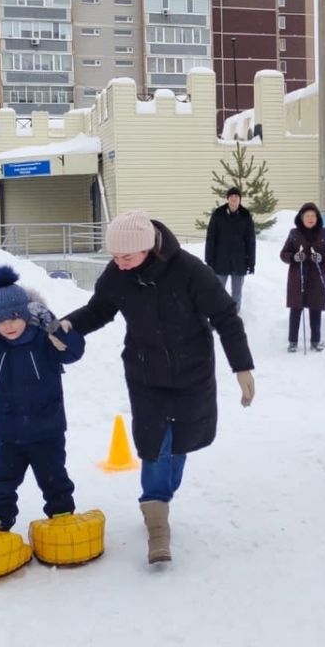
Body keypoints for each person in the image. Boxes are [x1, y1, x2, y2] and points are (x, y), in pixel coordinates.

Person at [61, 211, 255, 564]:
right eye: (114, 258)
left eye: (126, 257)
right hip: (144, 372)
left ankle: (160, 500)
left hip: (191, 372)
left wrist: (241, 366)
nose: (119, 264)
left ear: (148, 248)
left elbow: (226, 315)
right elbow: (99, 310)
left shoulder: (189, 270)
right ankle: (157, 520)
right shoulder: (118, 274)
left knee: (179, 444)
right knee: (154, 446)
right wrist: (68, 326)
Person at [0, 266, 85, 532]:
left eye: (13, 318)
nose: (8, 326)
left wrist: (52, 323)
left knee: (54, 478)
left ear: (27, 315)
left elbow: (73, 351)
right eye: (0, 321)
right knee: (3, 479)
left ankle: (61, 515)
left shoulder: (44, 340)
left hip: (47, 428)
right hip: (10, 430)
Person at [280, 202, 325, 352]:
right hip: (297, 277)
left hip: (317, 277)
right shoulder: (294, 233)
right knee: (295, 309)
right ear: (301, 218)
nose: (310, 218)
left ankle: (315, 341)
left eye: (313, 215)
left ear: (317, 217)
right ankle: (292, 342)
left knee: (315, 308)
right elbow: (283, 254)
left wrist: (322, 257)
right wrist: (294, 257)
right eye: (307, 216)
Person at [205, 186, 256, 311]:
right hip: (220, 260)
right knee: (218, 291)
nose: (234, 199)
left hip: (239, 261)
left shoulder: (245, 215)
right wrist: (209, 259)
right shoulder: (218, 214)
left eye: (236, 197)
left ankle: (233, 318)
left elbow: (250, 240)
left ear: (240, 199)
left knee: (236, 293)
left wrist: (251, 262)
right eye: (231, 197)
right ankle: (217, 315)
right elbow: (211, 237)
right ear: (227, 199)